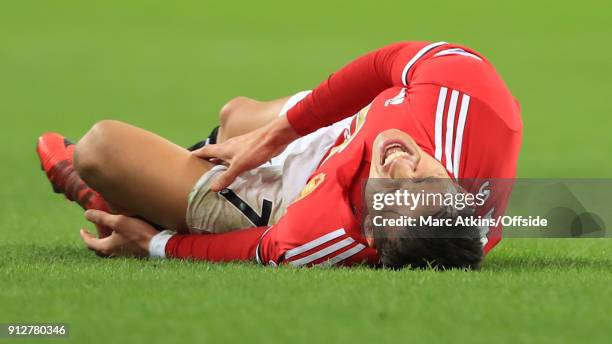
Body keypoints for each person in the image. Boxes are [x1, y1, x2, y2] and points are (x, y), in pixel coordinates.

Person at [37, 40, 522, 268]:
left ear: (369, 230)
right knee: (236, 115)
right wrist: (279, 134)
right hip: (353, 129)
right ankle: (155, 184)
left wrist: (156, 244)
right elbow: (386, 63)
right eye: (421, 181)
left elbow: (259, 247)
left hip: (295, 195)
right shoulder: (472, 102)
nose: (397, 165)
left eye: (388, 194)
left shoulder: (328, 233)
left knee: (101, 148)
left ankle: (115, 199)